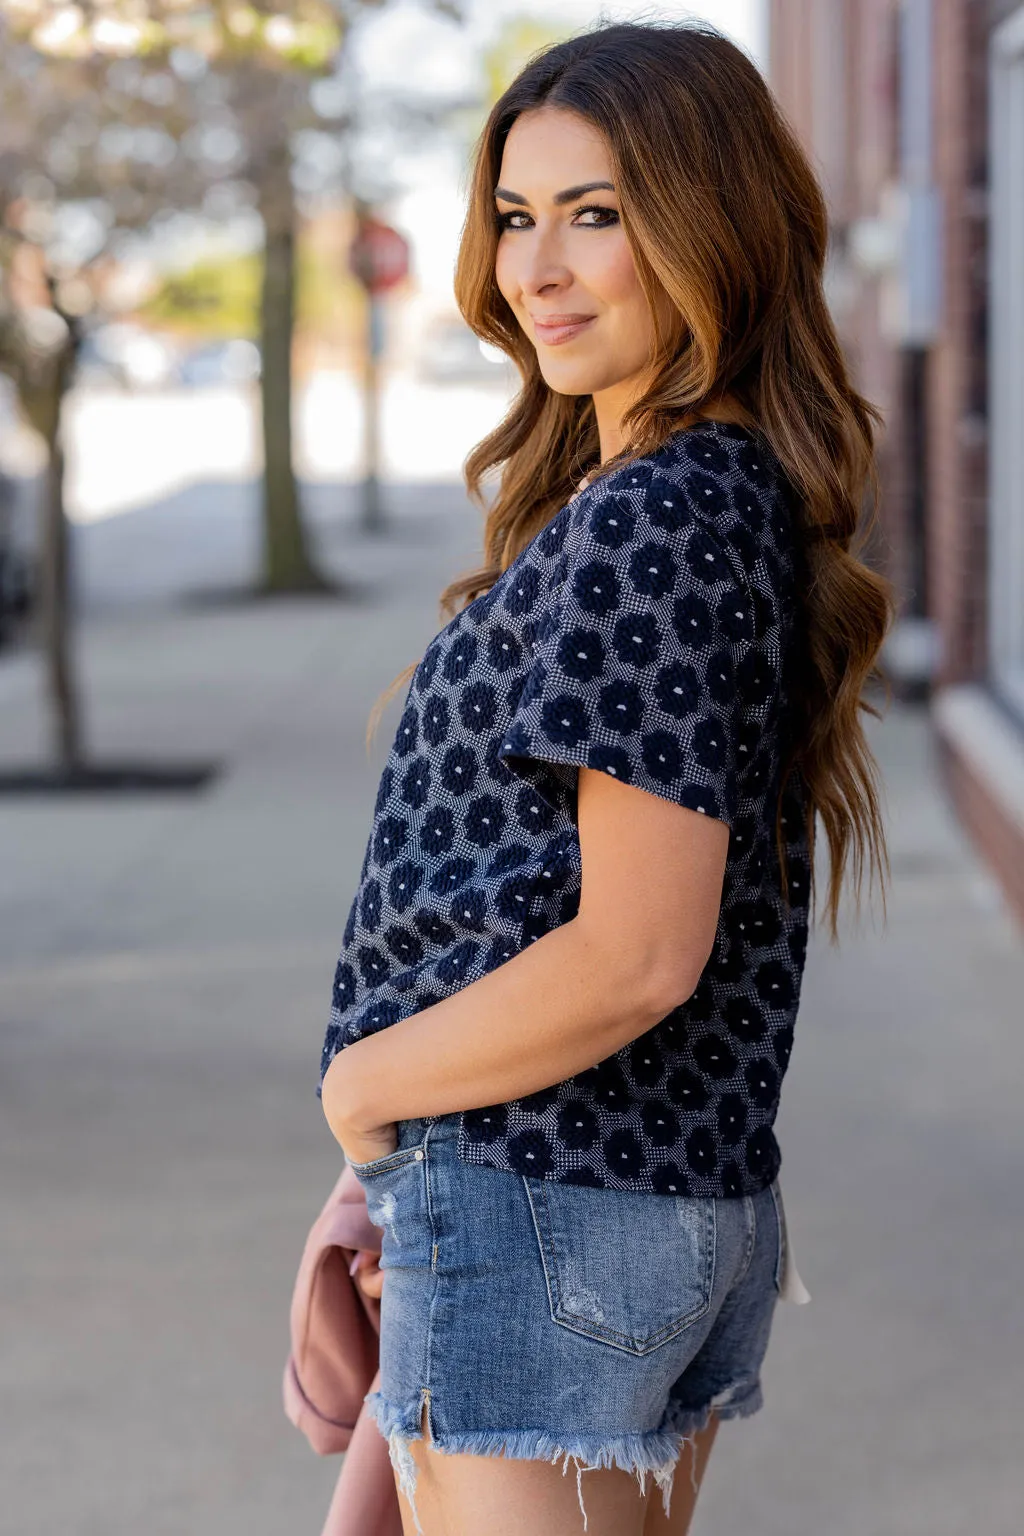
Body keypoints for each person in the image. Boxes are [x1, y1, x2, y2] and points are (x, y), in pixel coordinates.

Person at [318, 21, 891, 1536]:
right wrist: (381, 1163)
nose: (539, 267)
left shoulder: (664, 513)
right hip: (569, 1195)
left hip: (543, 1200)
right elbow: (518, 898)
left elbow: (639, 951)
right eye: (518, 215)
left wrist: (362, 1093)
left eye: (600, 214)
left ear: (710, 227)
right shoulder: (664, 496)